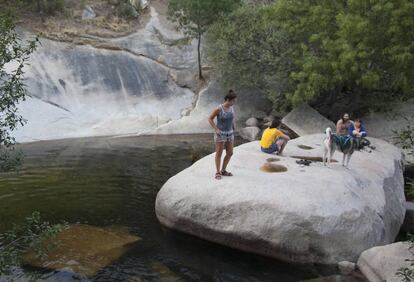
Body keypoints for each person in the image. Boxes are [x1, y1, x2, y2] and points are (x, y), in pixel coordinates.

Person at [208, 90, 237, 180]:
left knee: (230, 153)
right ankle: (218, 171)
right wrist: (216, 129)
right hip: (221, 134)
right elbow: (209, 118)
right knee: (219, 153)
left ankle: (223, 170)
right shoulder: (219, 109)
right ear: (228, 100)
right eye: (233, 101)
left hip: (230, 133)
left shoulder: (232, 108)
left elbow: (232, 118)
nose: (234, 102)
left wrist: (234, 127)